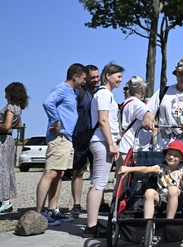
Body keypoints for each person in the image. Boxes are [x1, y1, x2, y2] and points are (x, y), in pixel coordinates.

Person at [37, 63, 86, 227]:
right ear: (76, 77)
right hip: (59, 137)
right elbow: (47, 102)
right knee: (50, 173)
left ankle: (52, 209)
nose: (84, 82)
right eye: (83, 78)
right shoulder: (62, 88)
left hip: (67, 138)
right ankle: (39, 213)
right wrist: (55, 121)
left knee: (59, 174)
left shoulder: (71, 92)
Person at [85, 62, 124, 237]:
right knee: (99, 183)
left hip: (103, 141)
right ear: (108, 75)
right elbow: (103, 120)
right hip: (101, 142)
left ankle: (92, 223)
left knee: (98, 182)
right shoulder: (103, 94)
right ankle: (91, 226)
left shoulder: (105, 94)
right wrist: (110, 144)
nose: (120, 80)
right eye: (118, 76)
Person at [119, 140, 183, 223]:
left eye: (175, 156)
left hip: (179, 199)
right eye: (169, 154)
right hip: (162, 199)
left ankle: (169, 222)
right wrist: (129, 169)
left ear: (181, 158)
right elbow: (146, 169)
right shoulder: (160, 168)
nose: (171, 157)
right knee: (149, 192)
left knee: (172, 189)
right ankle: (147, 223)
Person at [70, 64, 99, 218]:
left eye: (97, 77)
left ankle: (97, 203)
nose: (95, 80)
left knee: (97, 171)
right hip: (81, 136)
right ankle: (76, 204)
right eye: (92, 77)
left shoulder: (101, 92)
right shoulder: (78, 93)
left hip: (97, 136)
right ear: (85, 77)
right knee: (79, 170)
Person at [1, 82, 28, 213]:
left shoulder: (11, 107)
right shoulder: (18, 107)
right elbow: (18, 125)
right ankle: (5, 199)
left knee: (2, 170)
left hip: (3, 140)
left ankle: (4, 201)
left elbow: (6, 126)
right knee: (7, 169)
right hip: (10, 140)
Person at [117, 76, 152, 157]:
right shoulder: (138, 104)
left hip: (123, 145)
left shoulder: (127, 102)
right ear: (142, 89)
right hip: (132, 148)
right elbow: (148, 115)